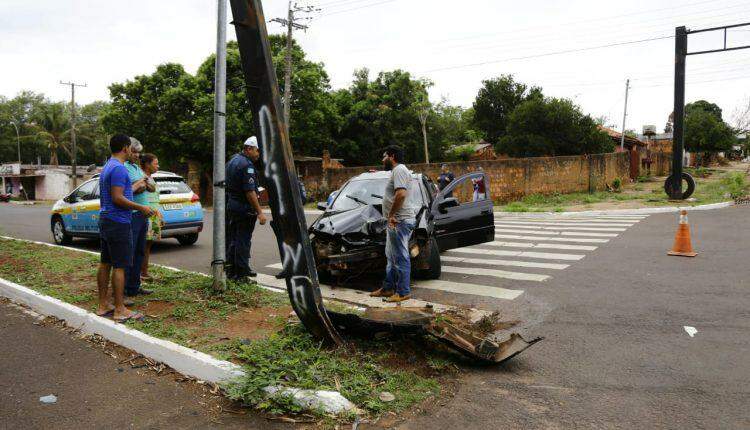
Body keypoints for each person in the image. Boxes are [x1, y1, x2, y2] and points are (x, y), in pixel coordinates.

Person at [96, 134, 154, 322]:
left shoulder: (107, 167)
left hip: (106, 219)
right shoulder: (119, 169)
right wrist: (141, 207)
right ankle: (120, 309)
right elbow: (118, 198)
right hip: (118, 221)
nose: (132, 151)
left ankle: (103, 304)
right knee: (120, 266)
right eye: (130, 148)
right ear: (125, 148)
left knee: (105, 263)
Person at [369, 145, 416, 303]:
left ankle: (403, 292)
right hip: (396, 221)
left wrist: (391, 215)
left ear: (392, 156)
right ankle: (388, 288)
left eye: (384, 156)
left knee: (401, 257)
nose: (382, 160)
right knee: (391, 257)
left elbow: (401, 194)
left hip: (399, 221)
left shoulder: (399, 170)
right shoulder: (397, 171)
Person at [225, 136, 267, 280]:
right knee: (243, 241)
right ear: (249, 149)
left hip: (232, 206)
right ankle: (241, 275)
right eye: (257, 151)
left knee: (234, 239)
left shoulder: (233, 160)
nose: (258, 154)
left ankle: (231, 271)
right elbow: (250, 192)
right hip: (244, 208)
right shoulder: (247, 165)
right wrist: (260, 212)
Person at [123, 138, 155, 297]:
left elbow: (151, 186)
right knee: (130, 252)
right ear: (127, 150)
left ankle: (135, 286)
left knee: (140, 252)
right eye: (134, 152)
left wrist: (142, 183)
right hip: (132, 214)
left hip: (143, 215)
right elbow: (130, 190)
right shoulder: (124, 167)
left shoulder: (136, 167)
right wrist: (141, 184)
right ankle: (126, 289)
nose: (136, 155)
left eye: (138, 153)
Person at [139, 153, 163, 281]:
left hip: (153, 215)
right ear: (147, 164)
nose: (157, 166)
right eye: (155, 163)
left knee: (147, 245)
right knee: (142, 245)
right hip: (146, 215)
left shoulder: (150, 178)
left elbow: (154, 197)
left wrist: (159, 212)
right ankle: (139, 272)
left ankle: (144, 271)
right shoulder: (141, 177)